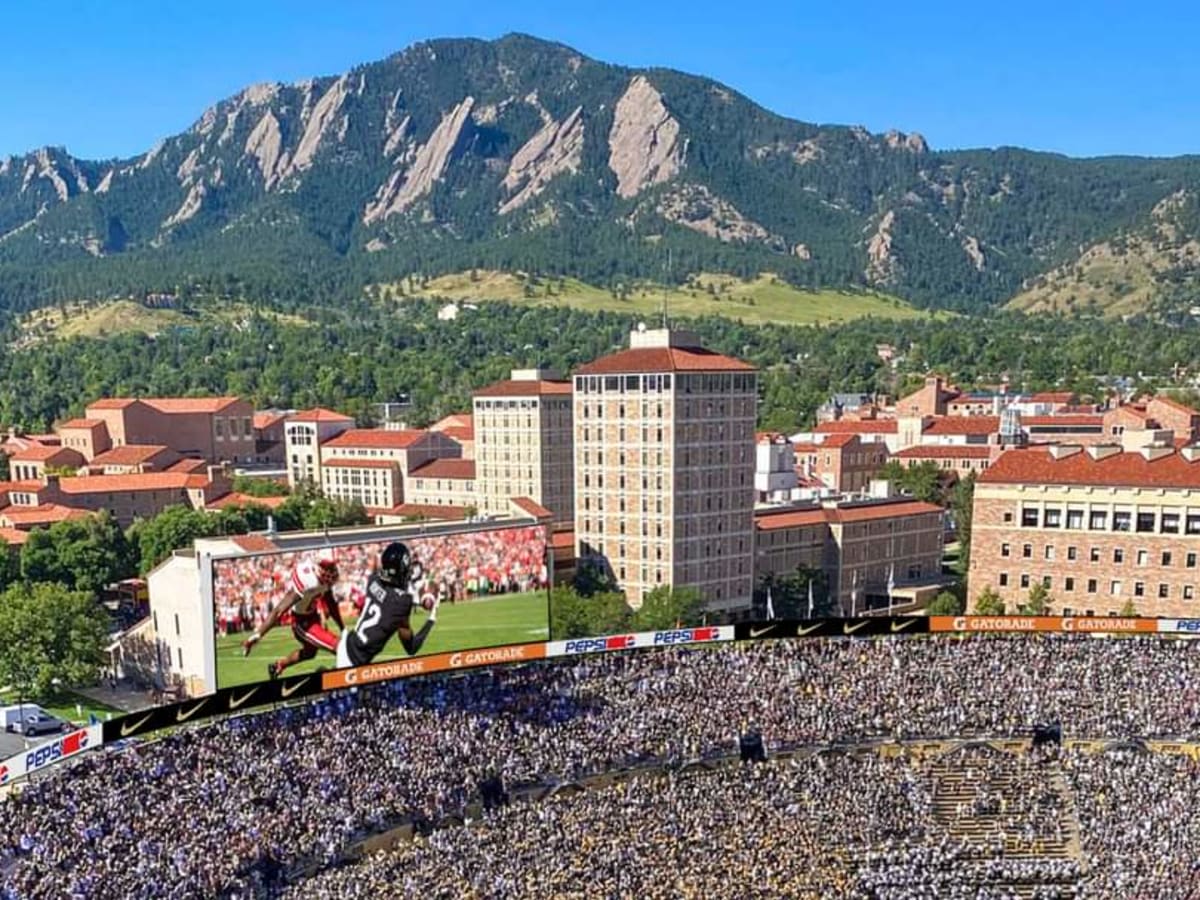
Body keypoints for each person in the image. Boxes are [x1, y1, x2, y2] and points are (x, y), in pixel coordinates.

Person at [336, 542, 439, 669]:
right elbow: (411, 648)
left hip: (347, 644)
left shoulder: (373, 579)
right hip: (354, 662)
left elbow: (385, 586)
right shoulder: (402, 602)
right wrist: (431, 621)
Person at [242, 557, 343, 680]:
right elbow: (279, 610)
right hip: (302, 624)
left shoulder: (323, 581)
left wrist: (343, 629)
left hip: (313, 616)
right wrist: (258, 634)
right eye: (329, 568)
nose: (333, 572)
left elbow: (330, 603)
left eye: (333, 568)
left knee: (309, 653)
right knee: (340, 646)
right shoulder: (307, 580)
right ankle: (343, 682)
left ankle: (279, 665)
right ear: (318, 568)